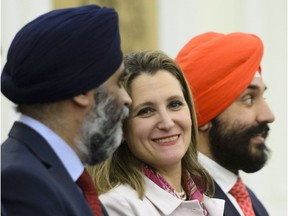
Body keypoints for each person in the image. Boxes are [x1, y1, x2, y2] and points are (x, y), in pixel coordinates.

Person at [1, 5, 132, 216]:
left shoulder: (66, 178)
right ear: (82, 91)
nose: (127, 99)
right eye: (118, 83)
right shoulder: (22, 181)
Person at [88, 50, 225, 216]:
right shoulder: (117, 207)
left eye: (174, 104)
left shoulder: (204, 198)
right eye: (146, 111)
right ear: (121, 126)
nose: (167, 123)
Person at [176, 32, 275, 216]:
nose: (268, 115)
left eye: (263, 96)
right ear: (201, 117)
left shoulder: (246, 199)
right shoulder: (186, 203)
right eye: (248, 99)